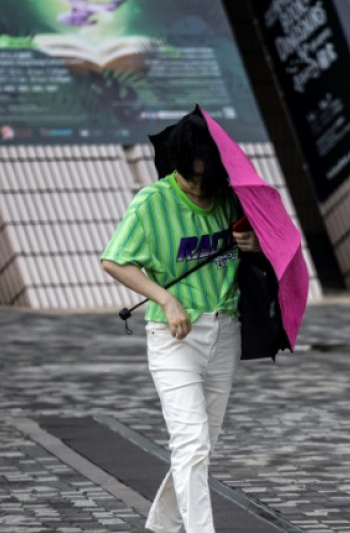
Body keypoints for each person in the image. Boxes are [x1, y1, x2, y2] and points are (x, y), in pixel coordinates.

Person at [101, 112, 261, 533]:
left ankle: (160, 526)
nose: (198, 184)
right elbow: (114, 260)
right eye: (191, 175)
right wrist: (165, 298)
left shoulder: (230, 199)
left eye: (206, 175)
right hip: (174, 338)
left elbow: (263, 254)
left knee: (200, 448)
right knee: (190, 444)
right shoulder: (151, 202)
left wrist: (253, 244)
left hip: (225, 331)